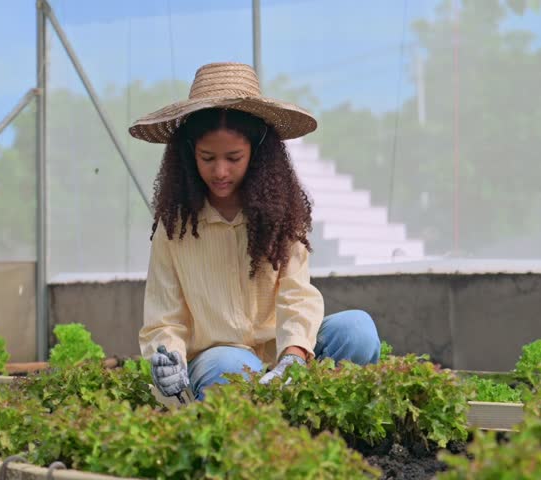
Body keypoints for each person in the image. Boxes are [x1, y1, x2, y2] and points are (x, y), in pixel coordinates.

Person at [129, 62, 380, 401]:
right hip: (219, 360)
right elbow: (164, 320)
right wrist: (167, 357)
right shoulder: (175, 227)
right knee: (230, 364)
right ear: (189, 155)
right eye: (207, 158)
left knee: (356, 330)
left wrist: (293, 356)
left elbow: (297, 294)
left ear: (257, 152)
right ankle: (264, 432)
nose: (220, 171)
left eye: (233, 157)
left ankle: (317, 420)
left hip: (284, 357)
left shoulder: (280, 213)